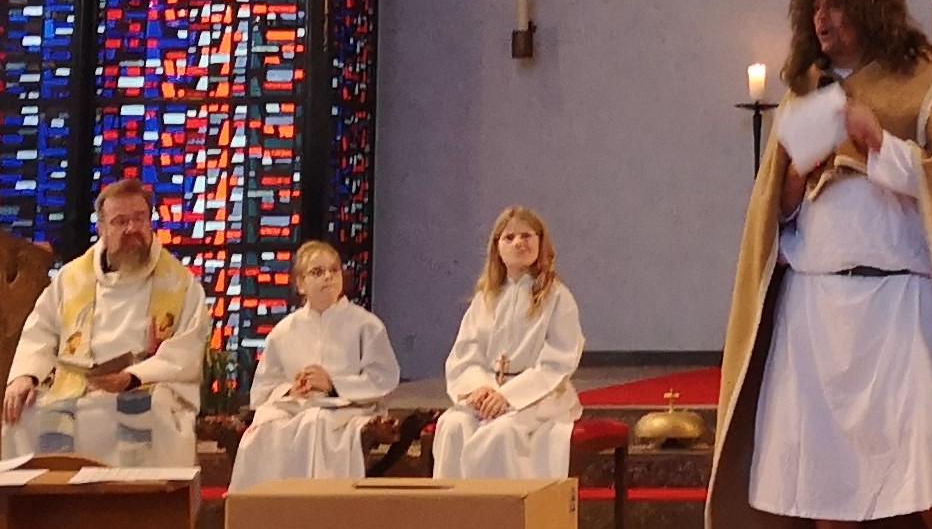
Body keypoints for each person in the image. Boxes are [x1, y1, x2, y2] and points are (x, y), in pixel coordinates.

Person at [707, 0, 932, 529]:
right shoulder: (803, 94)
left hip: (898, 305)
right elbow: (774, 216)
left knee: (928, 459)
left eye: (834, 5)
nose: (821, 17)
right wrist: (795, 178)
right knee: (825, 478)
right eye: (814, 7)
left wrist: (875, 138)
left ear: (866, 10)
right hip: (816, 307)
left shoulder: (918, 83)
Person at [1, 177, 210, 466]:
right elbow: (42, 330)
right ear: (101, 229)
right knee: (22, 415)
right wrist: (25, 376)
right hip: (76, 385)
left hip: (147, 386)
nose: (132, 229)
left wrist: (133, 377)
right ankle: (43, 508)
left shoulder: (180, 284)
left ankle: (136, 509)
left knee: (151, 415)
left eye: (139, 218)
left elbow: (186, 349)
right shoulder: (72, 279)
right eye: (119, 221)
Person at [228, 240, 401, 492]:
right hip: (295, 408)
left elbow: (383, 378)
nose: (328, 277)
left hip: (346, 410)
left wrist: (333, 384)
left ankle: (319, 508)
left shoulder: (366, 325)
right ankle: (269, 510)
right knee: (264, 428)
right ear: (300, 284)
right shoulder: (284, 331)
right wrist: (290, 390)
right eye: (318, 272)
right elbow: (264, 389)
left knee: (315, 421)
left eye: (334, 270)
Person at [432, 206, 584, 480]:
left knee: (499, 434)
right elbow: (466, 354)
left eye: (526, 236)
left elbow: (558, 360)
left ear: (541, 243)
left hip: (538, 397)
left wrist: (508, 396)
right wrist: (479, 389)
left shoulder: (557, 297)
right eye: (509, 237)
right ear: (497, 248)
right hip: (488, 393)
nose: (519, 243)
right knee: (452, 425)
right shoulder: (486, 298)